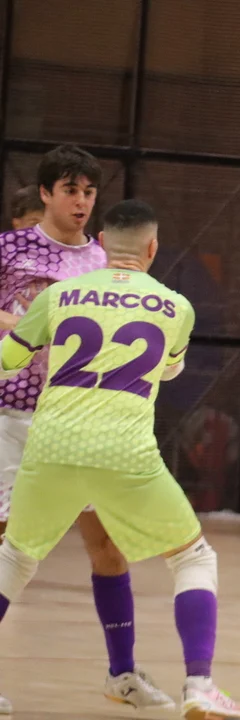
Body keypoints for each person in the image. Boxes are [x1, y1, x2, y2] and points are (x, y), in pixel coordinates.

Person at [0, 199, 240, 718]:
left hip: (52, 445)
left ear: (101, 244)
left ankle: (132, 675)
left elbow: (8, 360)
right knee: (192, 557)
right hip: (124, 451)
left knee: (15, 559)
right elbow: (168, 372)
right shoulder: (176, 306)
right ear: (152, 247)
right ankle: (199, 686)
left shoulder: (58, 295)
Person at [0, 146, 171, 711]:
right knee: (8, 545)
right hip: (13, 414)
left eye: (89, 192)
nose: (81, 201)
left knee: (109, 544)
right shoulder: (10, 249)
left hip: (81, 420)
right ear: (45, 193)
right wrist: (29, 325)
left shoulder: (104, 259)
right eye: (70, 190)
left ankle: (122, 674)